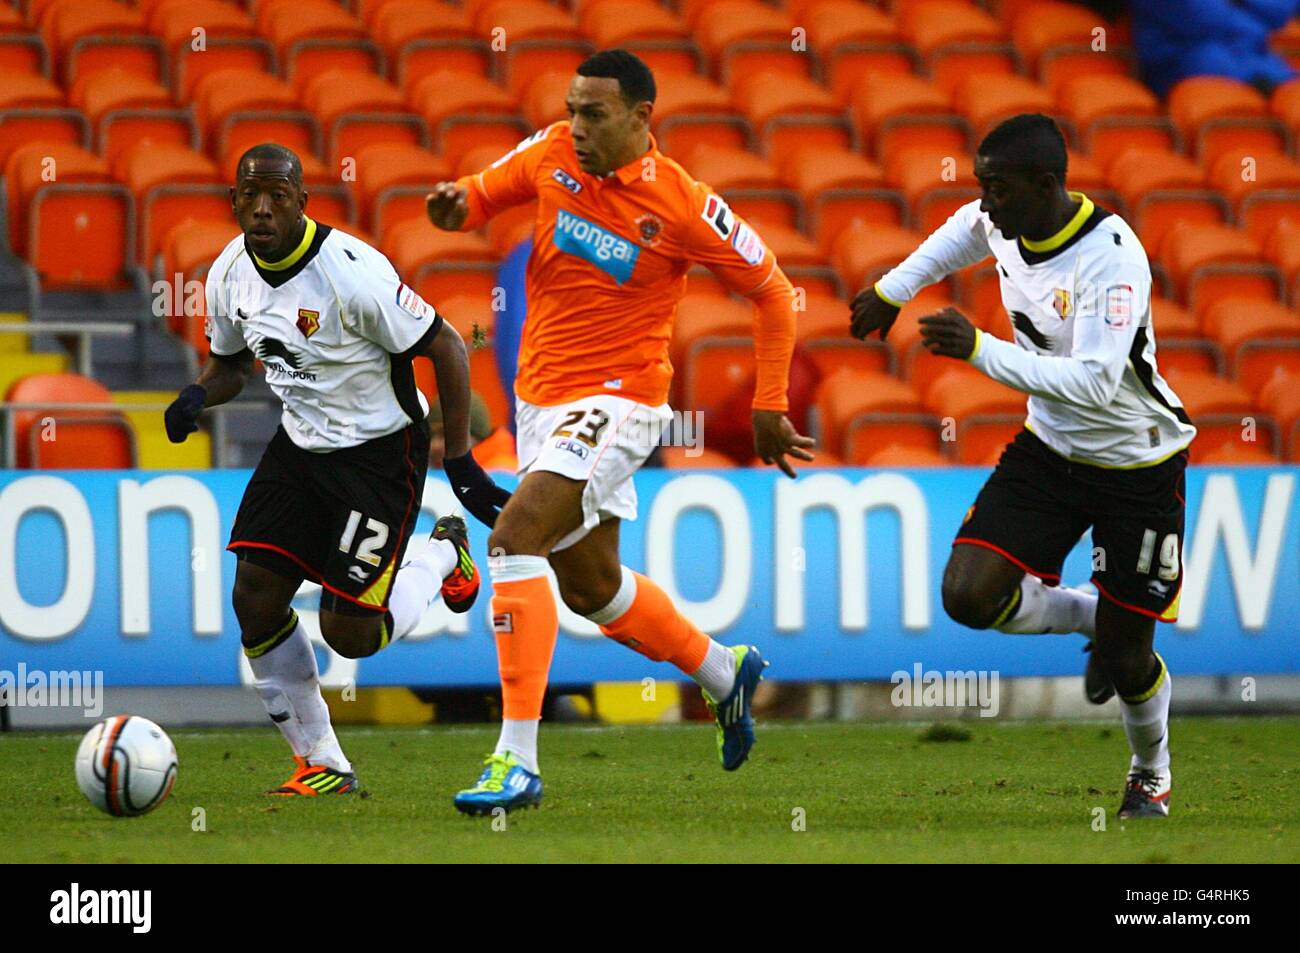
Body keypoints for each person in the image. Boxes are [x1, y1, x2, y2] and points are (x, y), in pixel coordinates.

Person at [426, 49, 814, 814]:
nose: (576, 127)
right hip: (539, 398)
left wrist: (770, 402)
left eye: (593, 114)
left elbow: (773, 289)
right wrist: (452, 206)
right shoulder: (549, 154)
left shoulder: (684, 205)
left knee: (513, 538)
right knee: (594, 588)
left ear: (641, 117)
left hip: (622, 398)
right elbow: (477, 196)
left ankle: (517, 760)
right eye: (571, 109)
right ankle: (722, 671)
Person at [849, 114, 1196, 820]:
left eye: (998, 189)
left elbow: (1098, 383)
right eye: (981, 185)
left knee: (1130, 659)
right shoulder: (1005, 220)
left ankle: (1150, 769)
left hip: (1137, 462)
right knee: (968, 595)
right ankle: (1085, 615)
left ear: (1046, 186)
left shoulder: (1113, 256)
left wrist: (978, 349)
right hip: (1050, 451)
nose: (987, 202)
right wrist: (893, 288)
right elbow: (963, 229)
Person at [163, 143, 509, 796]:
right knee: (254, 596)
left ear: (302, 203)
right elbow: (233, 363)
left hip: (380, 454)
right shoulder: (228, 272)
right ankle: (323, 759)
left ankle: (442, 556)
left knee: (349, 634)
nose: (262, 208)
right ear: (234, 198)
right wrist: (198, 395)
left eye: (278, 196)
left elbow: (448, 346)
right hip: (299, 446)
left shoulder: (351, 272)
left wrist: (459, 460)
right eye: (250, 194)